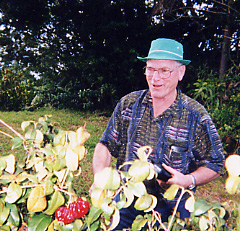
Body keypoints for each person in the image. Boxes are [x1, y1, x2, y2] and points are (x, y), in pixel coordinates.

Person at [90, 38, 225, 230]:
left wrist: (188, 180)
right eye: (150, 69)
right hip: (127, 199)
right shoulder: (128, 104)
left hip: (173, 206)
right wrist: (100, 180)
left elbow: (216, 163)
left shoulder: (195, 115)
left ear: (181, 73)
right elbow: (105, 145)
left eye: (164, 71)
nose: (155, 78)